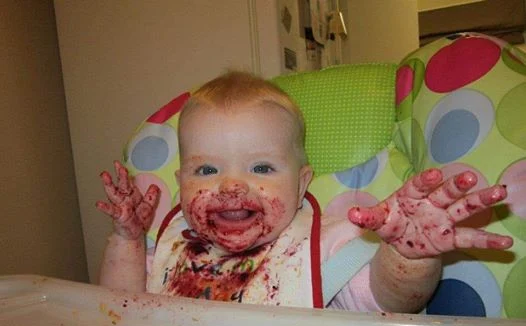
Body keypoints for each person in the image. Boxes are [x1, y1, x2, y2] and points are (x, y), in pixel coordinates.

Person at [96, 71, 513, 313]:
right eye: (206, 169)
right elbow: (119, 311)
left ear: (301, 186)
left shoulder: (324, 249)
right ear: (181, 182)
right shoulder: (173, 245)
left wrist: (405, 258)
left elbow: (391, 302)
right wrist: (127, 240)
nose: (231, 185)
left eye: (261, 167)